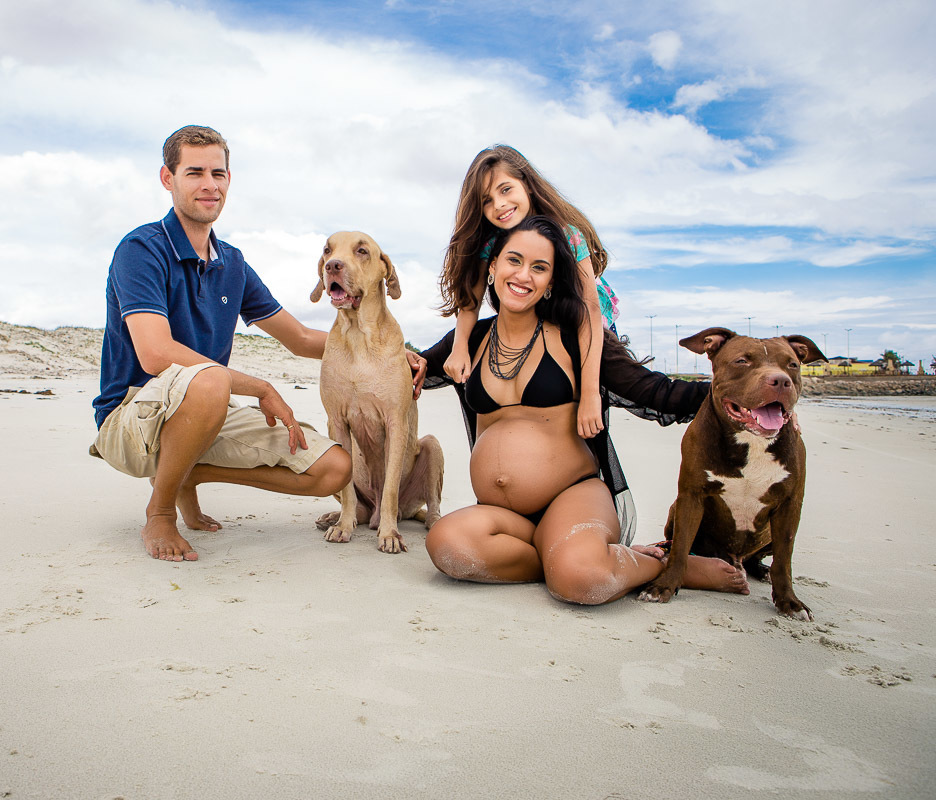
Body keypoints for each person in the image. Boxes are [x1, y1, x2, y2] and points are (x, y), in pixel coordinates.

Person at [90, 125, 421, 563]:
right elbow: (156, 354)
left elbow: (301, 338)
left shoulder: (232, 263)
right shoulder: (141, 248)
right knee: (210, 381)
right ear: (168, 179)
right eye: (194, 173)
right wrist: (261, 388)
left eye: (218, 173)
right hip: (131, 417)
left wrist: (390, 354)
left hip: (201, 415)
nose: (209, 184)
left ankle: (183, 472)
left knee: (334, 468)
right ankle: (161, 510)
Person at [421, 216, 748, 604]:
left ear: (549, 284)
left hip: (573, 496)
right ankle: (561, 558)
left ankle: (667, 566)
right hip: (507, 519)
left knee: (582, 580)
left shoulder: (576, 338)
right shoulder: (470, 339)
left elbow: (651, 391)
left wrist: (747, 399)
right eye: (514, 260)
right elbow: (410, 369)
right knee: (447, 545)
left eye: (539, 268)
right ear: (492, 267)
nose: (524, 275)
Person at [438, 145, 619, 442]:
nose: (499, 204)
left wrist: (590, 394)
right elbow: (470, 304)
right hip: (537, 327)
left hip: (583, 324)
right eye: (487, 201)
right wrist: (459, 348)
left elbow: (590, 309)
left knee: (587, 419)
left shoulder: (568, 233)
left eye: (506, 189)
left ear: (527, 184)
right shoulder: (492, 244)